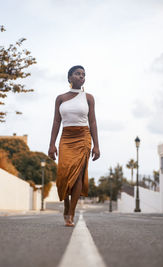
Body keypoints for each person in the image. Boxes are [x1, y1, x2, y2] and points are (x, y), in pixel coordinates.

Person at [48, 65, 100, 227]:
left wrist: (96, 145)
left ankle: (71, 213)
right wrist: (52, 145)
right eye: (77, 74)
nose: (81, 76)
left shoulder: (89, 98)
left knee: (78, 175)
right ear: (69, 77)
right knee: (63, 174)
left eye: (83, 74)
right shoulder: (60, 98)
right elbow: (56, 121)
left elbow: (92, 122)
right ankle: (66, 203)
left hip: (83, 136)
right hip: (66, 137)